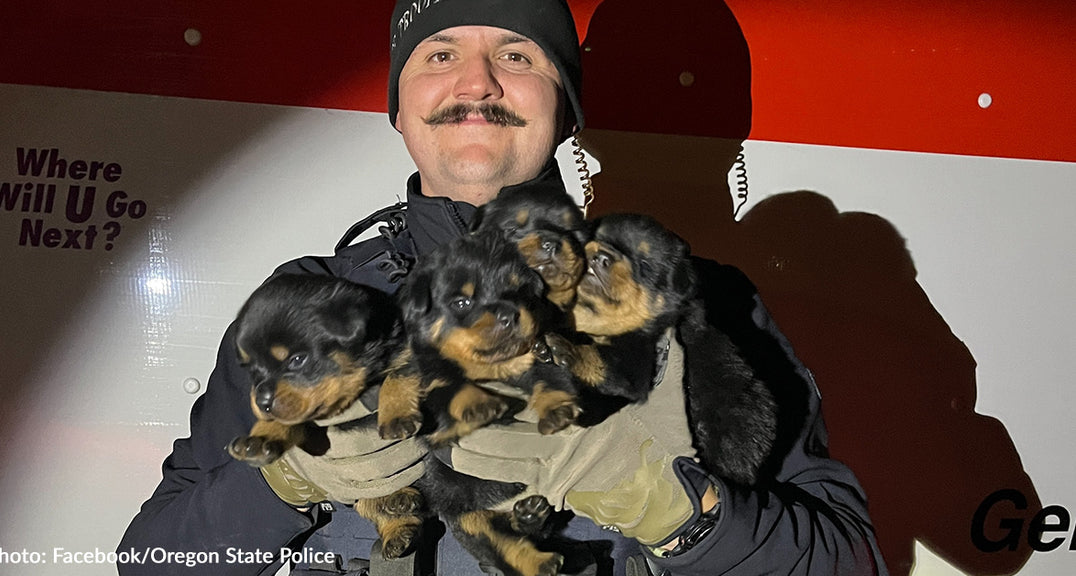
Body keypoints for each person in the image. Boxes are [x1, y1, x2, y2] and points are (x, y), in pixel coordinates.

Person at [118, 0, 888, 574]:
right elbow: (151, 561)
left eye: (517, 57)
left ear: (567, 108)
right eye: (439, 54)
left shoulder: (687, 301)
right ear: (401, 107)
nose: (477, 82)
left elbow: (851, 559)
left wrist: (680, 511)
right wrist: (282, 484)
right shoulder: (306, 306)